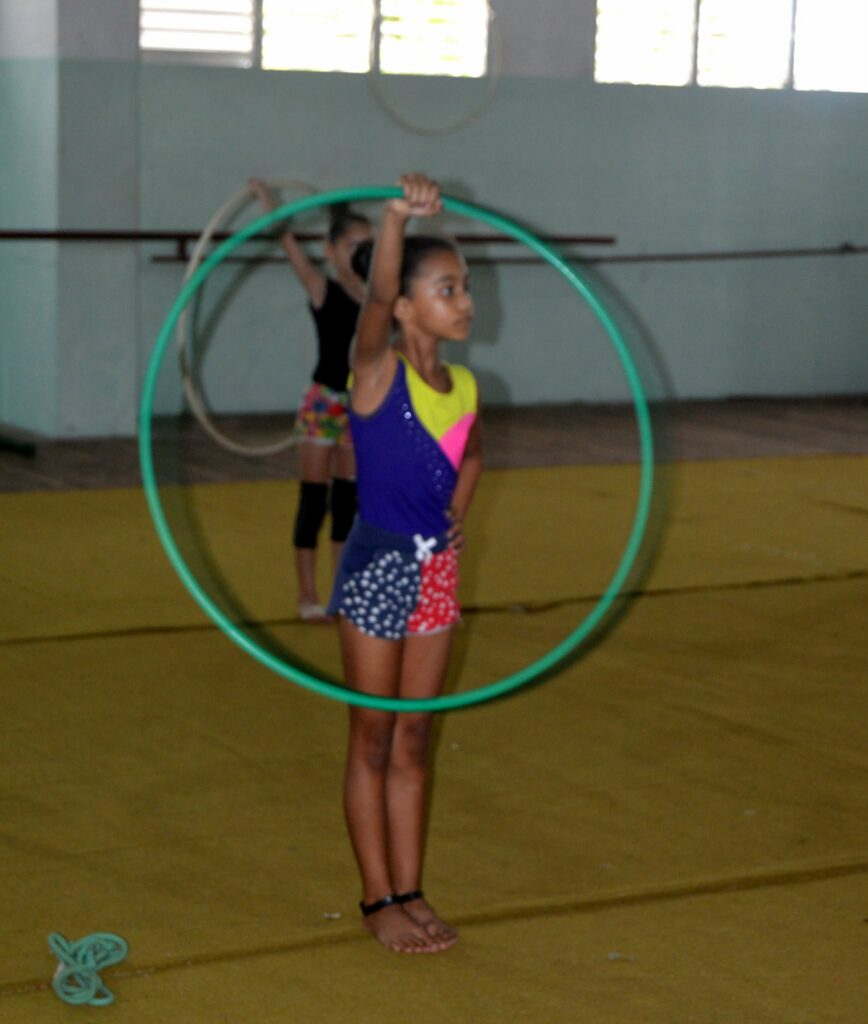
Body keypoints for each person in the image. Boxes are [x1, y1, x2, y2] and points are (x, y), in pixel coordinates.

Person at [328, 174, 483, 953]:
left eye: (465, 287)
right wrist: (393, 218)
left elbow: (471, 454)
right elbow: (375, 294)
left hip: (435, 573)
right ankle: (376, 898)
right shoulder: (376, 371)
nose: (466, 302)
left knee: (415, 739)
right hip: (378, 568)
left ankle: (412, 889)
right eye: (447, 289)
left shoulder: (466, 385)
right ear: (406, 307)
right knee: (373, 739)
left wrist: (456, 517)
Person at [250, 179, 372, 622]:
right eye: (354, 245)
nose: (363, 253)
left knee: (347, 506)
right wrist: (269, 201)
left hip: (360, 407)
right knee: (313, 501)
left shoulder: (380, 300)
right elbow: (287, 242)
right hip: (324, 404)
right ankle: (307, 596)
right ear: (331, 251)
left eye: (369, 246)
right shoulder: (324, 288)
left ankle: (340, 593)